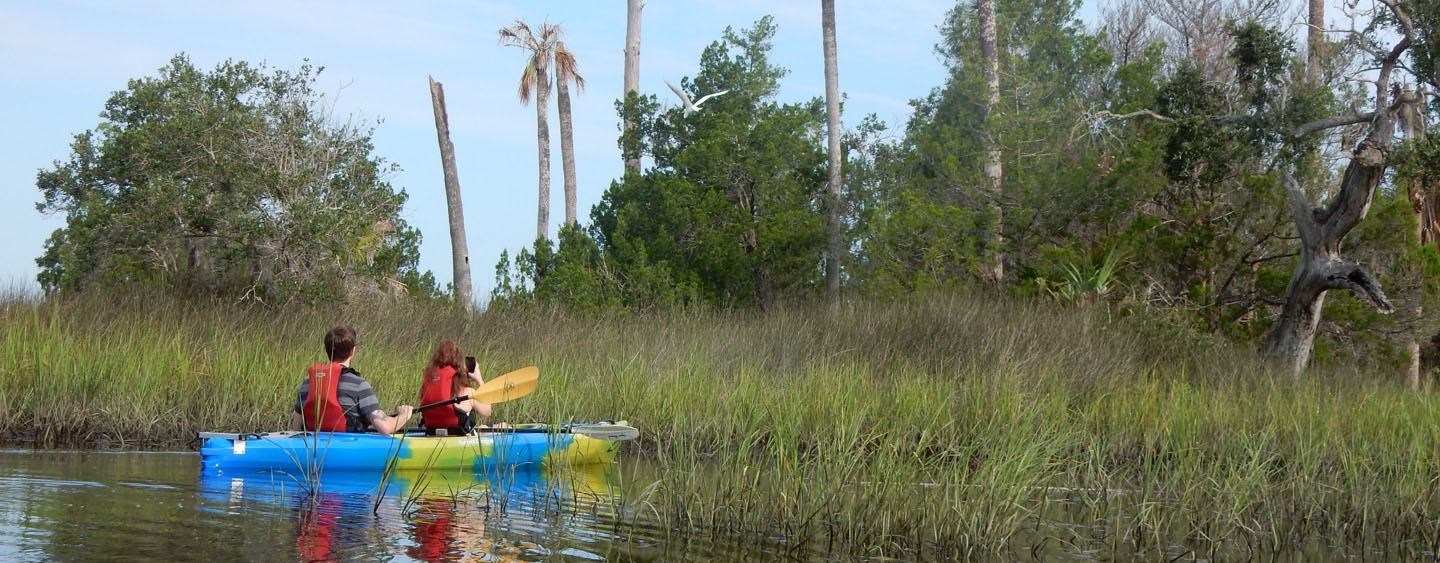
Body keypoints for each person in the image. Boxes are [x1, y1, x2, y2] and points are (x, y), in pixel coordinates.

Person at [289, 325, 413, 435]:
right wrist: (404, 415)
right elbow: (385, 428)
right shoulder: (358, 384)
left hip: (313, 451)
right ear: (352, 351)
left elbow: (296, 429)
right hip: (348, 449)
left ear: (326, 350)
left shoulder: (308, 382)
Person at [417, 339, 492, 435]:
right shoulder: (467, 392)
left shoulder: (428, 385)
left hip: (431, 434)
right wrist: (479, 380)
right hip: (458, 437)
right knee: (498, 426)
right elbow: (487, 412)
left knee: (483, 428)